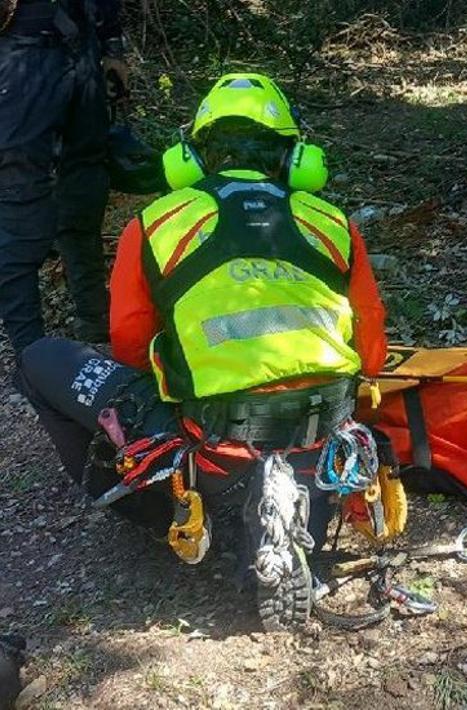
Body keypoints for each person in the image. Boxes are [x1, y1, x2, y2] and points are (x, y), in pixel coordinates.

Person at [17, 72, 388, 552]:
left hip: (211, 448)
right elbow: (372, 350)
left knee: (39, 358)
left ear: (189, 158)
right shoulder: (333, 223)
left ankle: (152, 510)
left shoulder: (156, 224)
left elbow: (131, 345)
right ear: (295, 158)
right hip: (320, 448)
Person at [0, 0, 126, 352]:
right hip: (21, 52)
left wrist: (112, 46)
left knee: (84, 188)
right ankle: (30, 349)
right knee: (19, 194)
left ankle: (94, 318)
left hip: (82, 50)